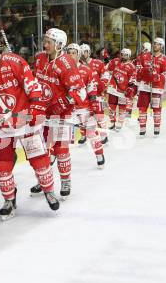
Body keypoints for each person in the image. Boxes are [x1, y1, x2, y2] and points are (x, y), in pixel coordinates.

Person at [0, 33, 60, 219]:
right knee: (1, 167)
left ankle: (48, 191)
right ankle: (9, 199)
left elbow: (33, 87)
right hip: (0, 126)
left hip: (24, 121)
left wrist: (35, 110)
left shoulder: (13, 62)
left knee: (40, 161)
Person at [29, 28, 86, 197]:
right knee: (42, 151)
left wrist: (61, 103)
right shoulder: (40, 58)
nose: (45, 44)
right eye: (44, 40)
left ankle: (65, 180)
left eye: (49, 42)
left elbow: (79, 91)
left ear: (59, 45)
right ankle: (43, 181)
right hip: (42, 113)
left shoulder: (66, 63)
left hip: (62, 115)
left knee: (61, 150)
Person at [66, 43, 105, 169]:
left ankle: (99, 155)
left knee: (91, 134)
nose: (71, 55)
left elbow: (92, 90)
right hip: (68, 109)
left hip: (84, 109)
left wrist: (95, 107)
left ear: (79, 55)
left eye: (73, 52)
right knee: (61, 137)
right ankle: (52, 163)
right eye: (69, 52)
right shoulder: (62, 70)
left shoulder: (86, 70)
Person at [136, 38, 166, 136]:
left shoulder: (165, 59)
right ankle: (142, 129)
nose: (155, 45)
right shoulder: (145, 56)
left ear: (161, 47)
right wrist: (144, 71)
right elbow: (138, 68)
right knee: (142, 108)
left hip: (156, 88)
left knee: (156, 109)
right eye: (154, 43)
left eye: (158, 44)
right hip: (144, 87)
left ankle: (156, 128)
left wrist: (158, 77)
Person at [80, 43, 109, 144]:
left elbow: (105, 74)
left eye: (85, 51)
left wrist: (102, 84)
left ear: (89, 52)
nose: (83, 54)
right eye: (81, 52)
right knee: (83, 117)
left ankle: (104, 135)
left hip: (96, 95)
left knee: (99, 116)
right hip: (83, 95)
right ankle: (83, 135)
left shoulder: (98, 63)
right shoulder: (78, 65)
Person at [106, 48, 137, 131]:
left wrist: (130, 87)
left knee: (122, 108)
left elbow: (133, 78)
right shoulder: (116, 61)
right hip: (112, 88)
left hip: (123, 91)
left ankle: (120, 122)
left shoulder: (131, 66)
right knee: (111, 107)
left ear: (129, 56)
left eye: (125, 55)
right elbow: (107, 69)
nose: (123, 56)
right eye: (122, 54)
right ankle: (112, 122)